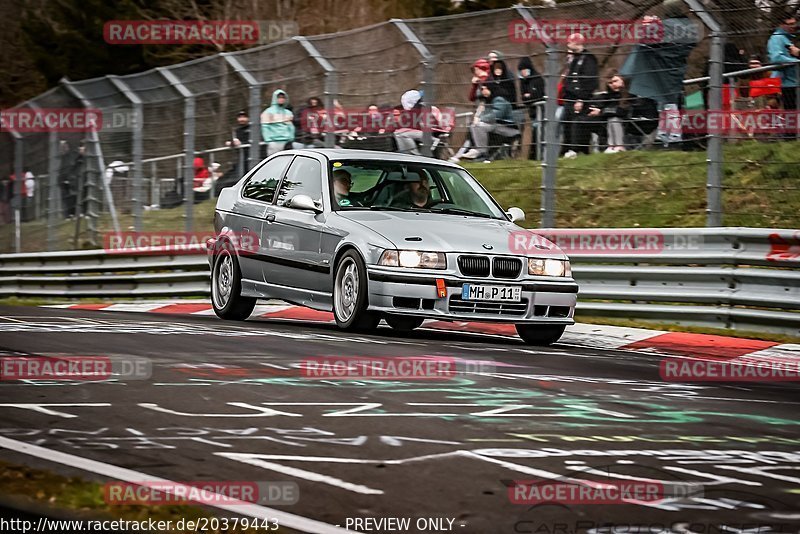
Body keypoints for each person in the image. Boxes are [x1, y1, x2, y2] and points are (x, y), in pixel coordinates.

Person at [560, 33, 598, 158]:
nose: (568, 45)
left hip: (580, 98)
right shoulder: (572, 59)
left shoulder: (588, 59)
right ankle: (567, 149)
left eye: (570, 42)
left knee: (578, 124)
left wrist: (581, 98)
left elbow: (590, 81)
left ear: (576, 43)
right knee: (566, 123)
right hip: (569, 98)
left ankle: (577, 150)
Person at [459, 84, 519, 161]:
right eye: (482, 89)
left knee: (478, 126)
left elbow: (496, 115)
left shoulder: (499, 99)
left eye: (485, 89)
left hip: (508, 129)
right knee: (475, 125)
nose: (483, 91)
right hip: (497, 126)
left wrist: (480, 119)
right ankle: (476, 150)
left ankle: (481, 152)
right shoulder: (488, 101)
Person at [587, 72, 635, 153]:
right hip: (608, 122)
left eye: (615, 81)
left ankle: (619, 146)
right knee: (610, 118)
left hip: (630, 121)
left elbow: (622, 111)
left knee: (613, 118)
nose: (613, 84)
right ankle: (611, 146)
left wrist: (601, 111)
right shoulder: (609, 96)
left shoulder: (630, 94)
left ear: (622, 80)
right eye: (610, 83)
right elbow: (609, 109)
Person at [767, 12, 800, 110]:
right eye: (790, 24)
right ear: (781, 25)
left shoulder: (786, 38)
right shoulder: (777, 38)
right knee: (791, 114)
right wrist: (796, 61)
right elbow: (776, 58)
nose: (793, 27)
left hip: (792, 82)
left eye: (794, 23)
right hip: (786, 84)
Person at [261, 89, 295, 156]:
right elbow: (265, 127)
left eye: (283, 97)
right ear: (275, 98)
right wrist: (269, 141)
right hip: (274, 142)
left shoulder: (288, 113)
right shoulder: (268, 112)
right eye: (279, 97)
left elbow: (290, 126)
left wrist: (291, 137)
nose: (281, 99)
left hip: (287, 142)